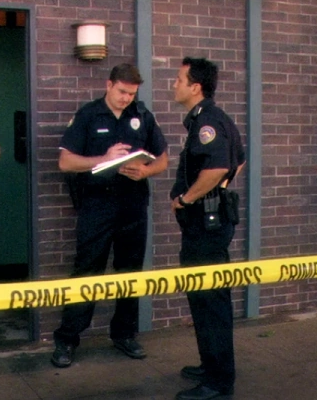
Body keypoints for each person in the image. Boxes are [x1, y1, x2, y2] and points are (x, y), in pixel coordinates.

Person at [52, 63, 169, 368]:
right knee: (86, 271)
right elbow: (65, 162)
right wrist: (102, 159)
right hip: (97, 205)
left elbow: (163, 160)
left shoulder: (142, 116)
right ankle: (67, 339)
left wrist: (145, 171)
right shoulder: (89, 115)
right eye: (122, 92)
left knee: (129, 273)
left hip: (133, 205)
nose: (126, 98)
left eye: (131, 94)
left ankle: (124, 335)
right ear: (109, 85)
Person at [170, 57, 245, 400]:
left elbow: (216, 169)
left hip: (206, 225)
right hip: (207, 222)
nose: (174, 84)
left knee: (210, 301)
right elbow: (238, 161)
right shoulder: (214, 118)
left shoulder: (208, 122)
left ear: (195, 87)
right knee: (202, 298)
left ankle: (218, 381)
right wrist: (219, 188)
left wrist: (187, 199)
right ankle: (211, 364)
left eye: (179, 79)